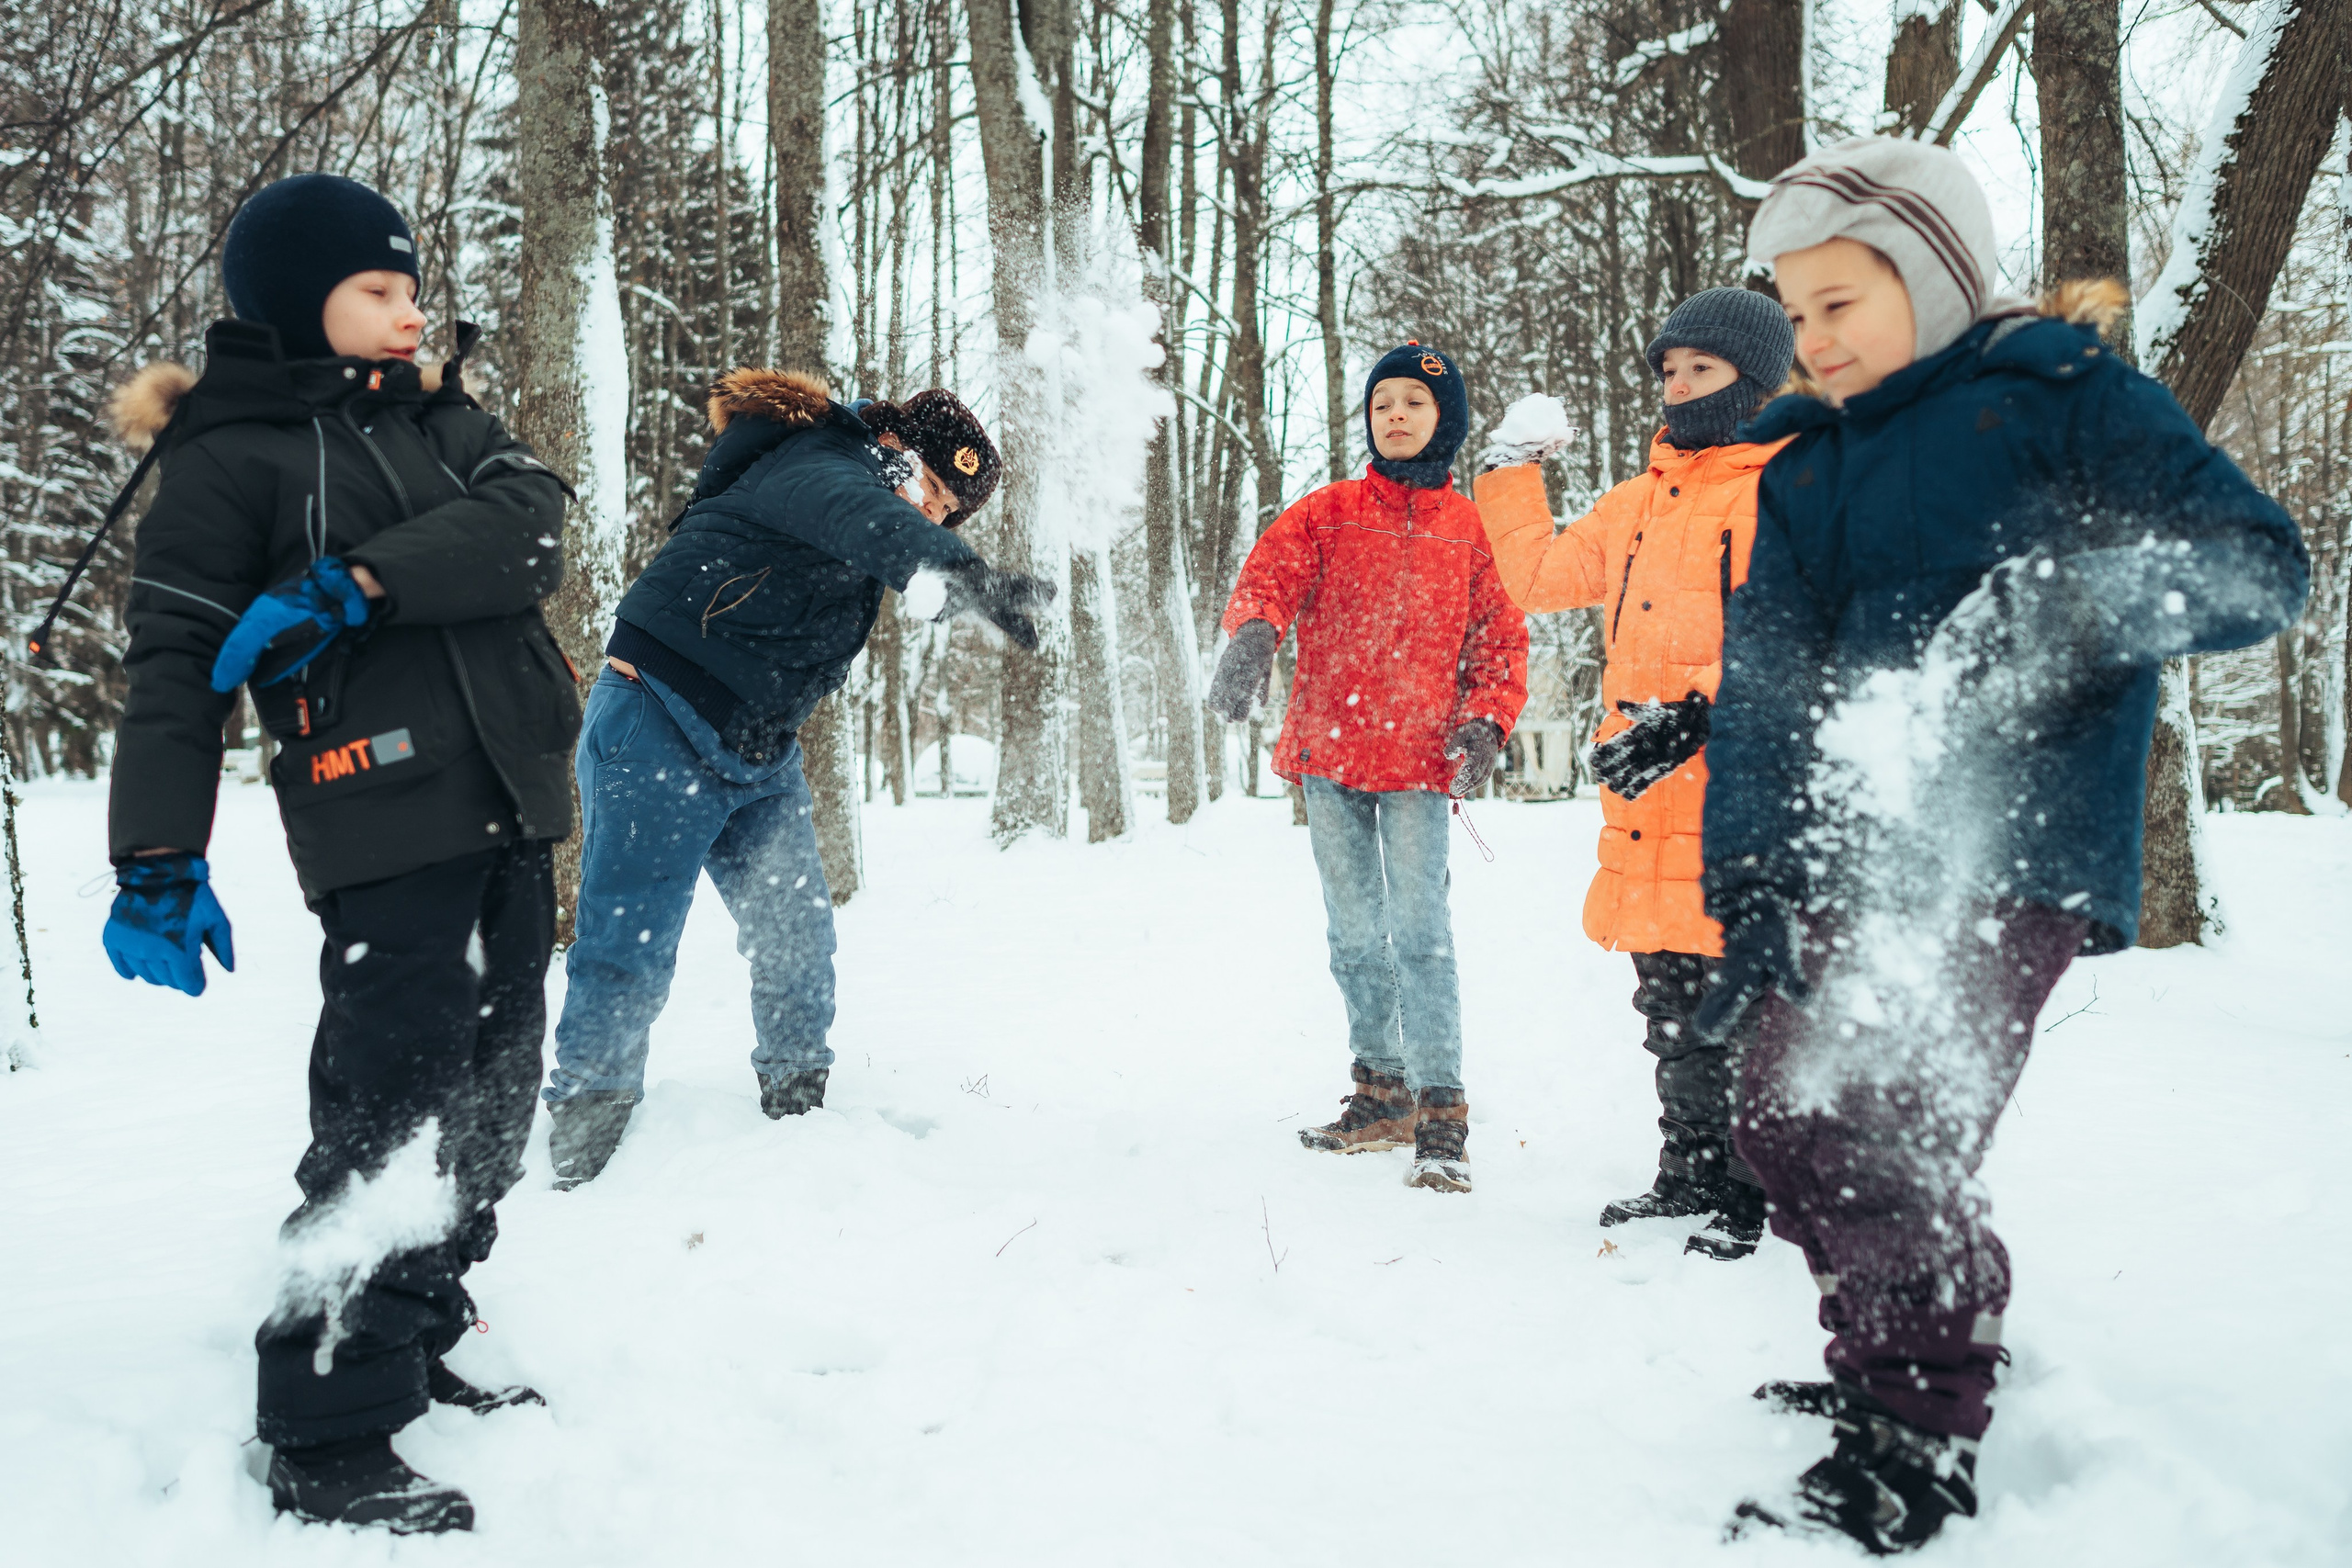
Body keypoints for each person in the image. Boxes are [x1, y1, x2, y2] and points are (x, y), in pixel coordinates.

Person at [1703, 137, 2307, 1552]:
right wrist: (1756, 871)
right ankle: (1886, 1346)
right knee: (1783, 1118)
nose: (1812, 336)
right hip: (1856, 846)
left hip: (2016, 846)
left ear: (1928, 274)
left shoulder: (2062, 397)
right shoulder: (1805, 470)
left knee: (1889, 1121)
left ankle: (1918, 1424)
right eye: (1794, 311)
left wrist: (2065, 605)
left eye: (1840, 302)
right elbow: (1769, 687)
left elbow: (2256, 562)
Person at [103, 173, 582, 1534]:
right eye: (378, 289)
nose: (409, 308)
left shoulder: (444, 417)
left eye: (412, 285)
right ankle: (325, 1423)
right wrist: (154, 851)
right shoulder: (228, 456)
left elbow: (531, 527)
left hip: (509, 802)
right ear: (295, 299)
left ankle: (416, 1319)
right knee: (388, 1113)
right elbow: (173, 674)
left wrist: (357, 582)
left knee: (491, 1098)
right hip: (381, 820)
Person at [540, 370, 1050, 1188]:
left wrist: (948, 559)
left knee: (797, 933)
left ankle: (797, 1111)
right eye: (929, 491)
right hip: (657, 714)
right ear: (894, 448)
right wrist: (951, 564)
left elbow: (876, 531)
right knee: (630, 946)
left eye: (946, 515)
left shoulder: (874, 504)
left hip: (756, 746)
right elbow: (863, 515)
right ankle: (585, 1141)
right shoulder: (817, 463)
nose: (928, 512)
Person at [1472, 288, 1796, 1260]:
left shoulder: (1789, 486)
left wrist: (1695, 711)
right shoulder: (1636, 500)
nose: (1680, 386)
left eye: (1702, 369)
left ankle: (1751, 1193)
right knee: (1670, 1002)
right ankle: (1686, 1172)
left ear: (1755, 377)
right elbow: (1537, 579)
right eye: (1669, 370)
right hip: (1646, 794)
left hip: (1741, 784)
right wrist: (1508, 473)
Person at [1206, 342, 1527, 1194]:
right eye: (1383, 401)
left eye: (1414, 403)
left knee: (1421, 935)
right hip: (1331, 752)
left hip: (1422, 760)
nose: (1395, 414)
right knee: (1354, 935)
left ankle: (1441, 1110)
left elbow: (1500, 637)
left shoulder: (1467, 530)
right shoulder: (1330, 510)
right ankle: (1380, 1090)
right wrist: (1252, 637)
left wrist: (1488, 722)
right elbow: (1270, 575)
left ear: (1443, 420)